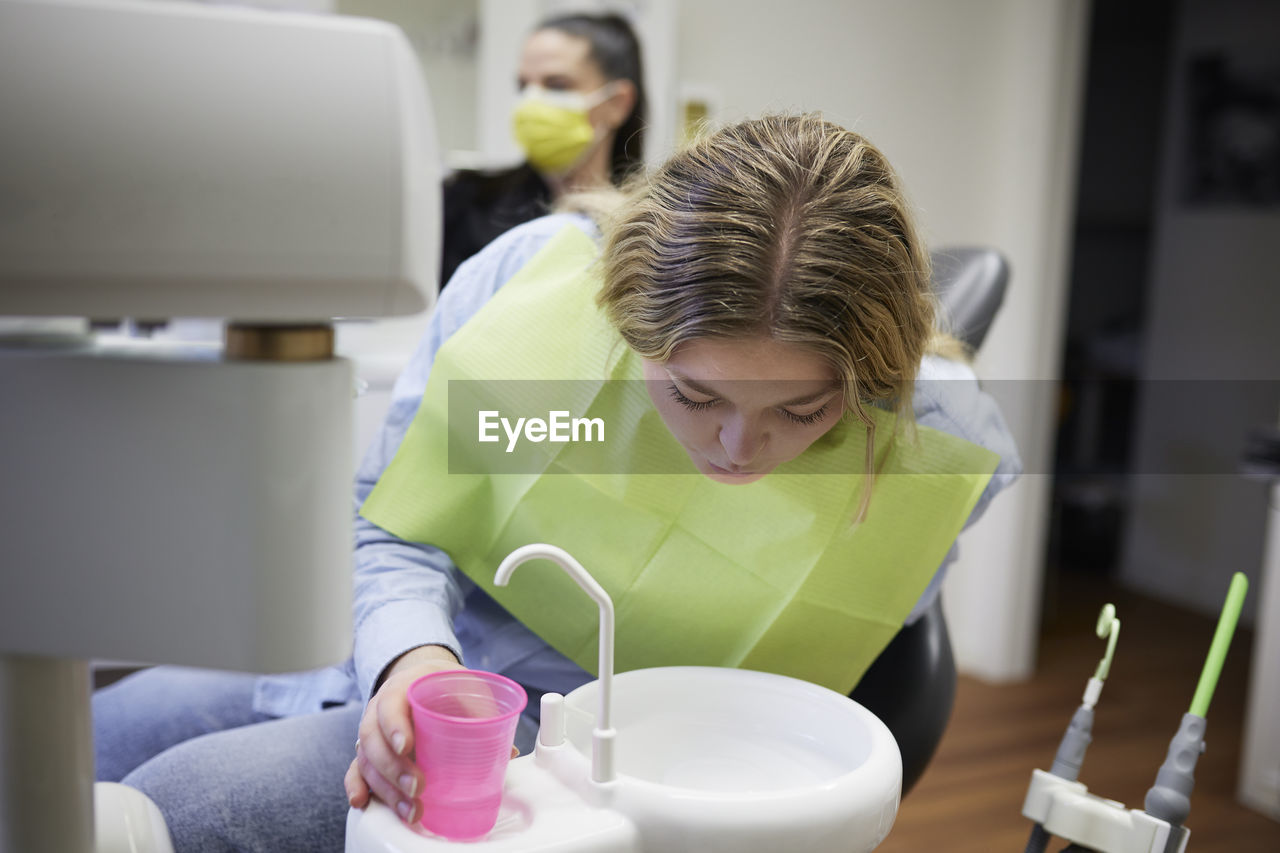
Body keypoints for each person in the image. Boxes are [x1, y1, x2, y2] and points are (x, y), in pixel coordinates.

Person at [93, 113, 1020, 852]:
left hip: (615, 750)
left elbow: (858, 641)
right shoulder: (523, 298)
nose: (740, 446)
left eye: (802, 411)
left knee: (180, 809)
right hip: (430, 661)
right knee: (88, 738)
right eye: (693, 394)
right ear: (624, 321)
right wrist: (412, 658)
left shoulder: (932, 446)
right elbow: (391, 525)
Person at [439, 11, 646, 287]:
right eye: (523, 86)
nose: (531, 101)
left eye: (557, 85)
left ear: (617, 104)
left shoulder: (647, 225)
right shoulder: (467, 203)